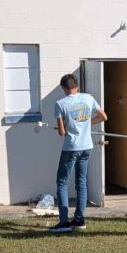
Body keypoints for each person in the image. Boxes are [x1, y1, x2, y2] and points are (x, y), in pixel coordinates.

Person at [51, 74, 107, 233]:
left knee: (62, 181)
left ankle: (63, 221)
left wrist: (66, 127)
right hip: (86, 146)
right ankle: (79, 218)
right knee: (81, 182)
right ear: (77, 86)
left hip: (71, 147)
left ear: (63, 88)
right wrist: (87, 124)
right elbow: (103, 116)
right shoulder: (88, 98)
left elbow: (62, 132)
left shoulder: (60, 104)